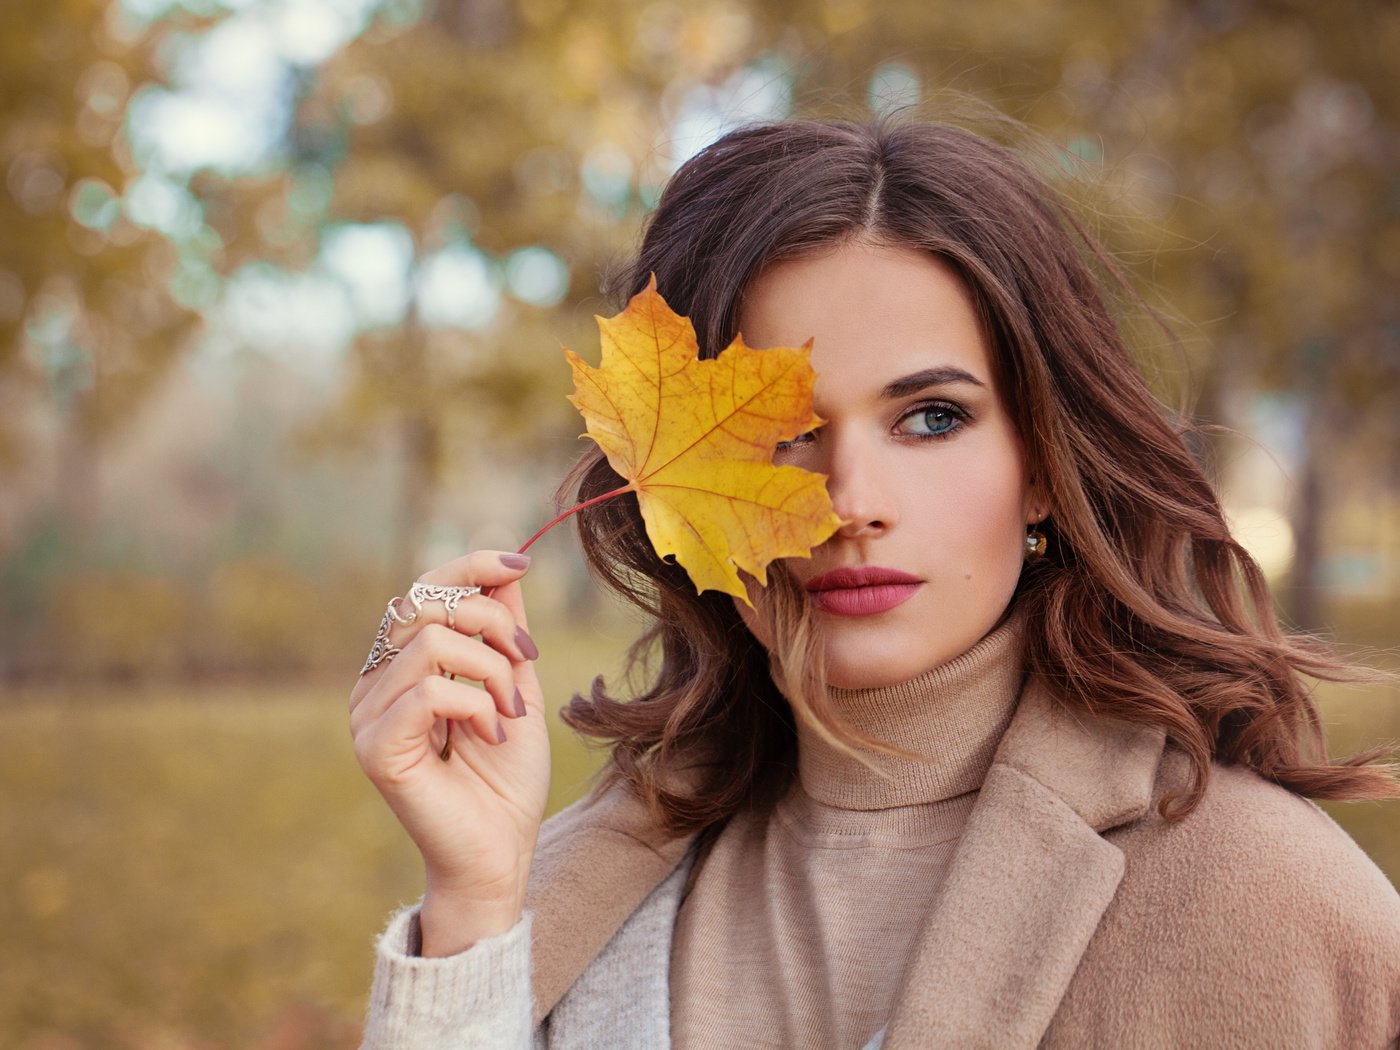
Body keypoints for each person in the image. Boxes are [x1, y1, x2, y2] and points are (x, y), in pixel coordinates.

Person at [348, 118, 1400, 1049]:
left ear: (1039, 467)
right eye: (783, 433)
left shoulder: (1272, 905)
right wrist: (475, 912)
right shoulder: (570, 890)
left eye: (931, 418)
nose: (849, 500)